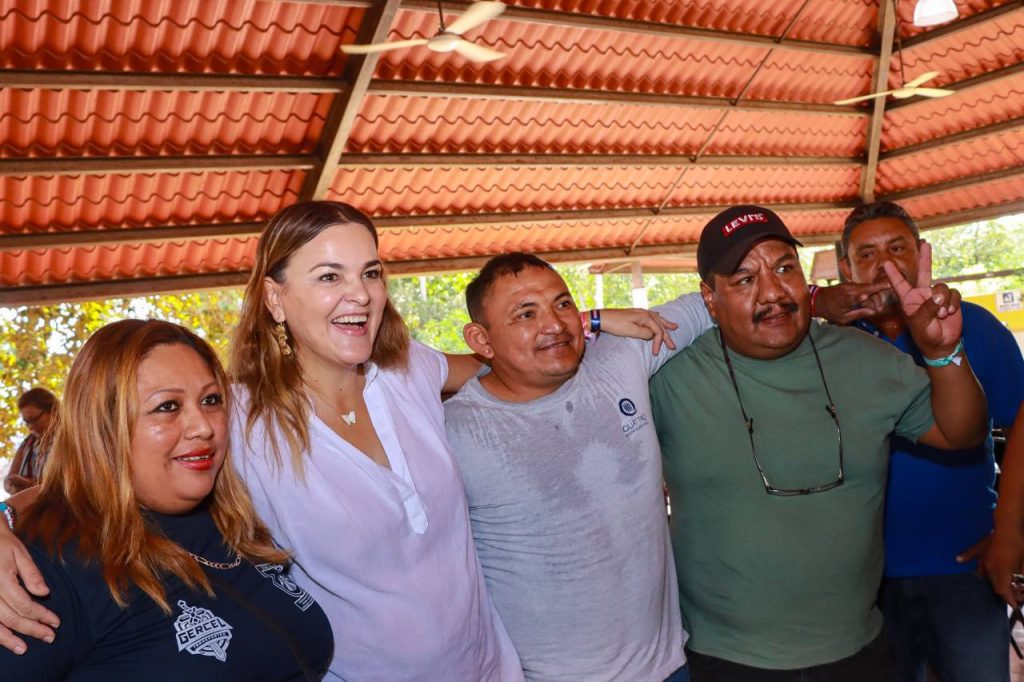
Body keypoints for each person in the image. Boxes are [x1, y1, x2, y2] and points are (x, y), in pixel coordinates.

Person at [0, 201, 675, 676]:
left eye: (370, 272)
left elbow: (506, 363)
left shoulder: (407, 370)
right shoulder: (237, 417)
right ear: (275, 298)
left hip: (492, 668)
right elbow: (101, 469)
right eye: (329, 276)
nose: (360, 294)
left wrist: (586, 321)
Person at [648, 205, 988, 682]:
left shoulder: (866, 359)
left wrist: (942, 352)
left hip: (858, 650)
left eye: (785, 268)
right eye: (744, 279)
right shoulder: (669, 377)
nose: (772, 292)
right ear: (709, 299)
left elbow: (961, 433)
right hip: (725, 658)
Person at [0, 319, 334, 680]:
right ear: (104, 427)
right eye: (167, 406)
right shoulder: (51, 570)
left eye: (211, 400)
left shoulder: (233, 520)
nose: (203, 426)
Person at [445, 253, 714, 681]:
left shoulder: (618, 359)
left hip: (669, 666)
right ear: (481, 339)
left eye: (563, 304)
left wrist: (817, 298)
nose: (554, 324)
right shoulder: (452, 432)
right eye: (526, 314)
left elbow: (711, 301)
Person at [839, 200, 1024, 682]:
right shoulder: (834, 346)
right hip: (865, 580)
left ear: (922, 254)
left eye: (897, 248)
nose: (885, 265)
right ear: (846, 269)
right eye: (867, 254)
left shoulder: (972, 326)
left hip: (964, 565)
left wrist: (1009, 529)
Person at [4, 388, 58, 494]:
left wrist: (30, 485)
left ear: (53, 411)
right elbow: (9, 478)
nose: (30, 427)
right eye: (26, 422)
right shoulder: (28, 443)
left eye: (35, 419)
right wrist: (11, 486)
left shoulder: (70, 440)